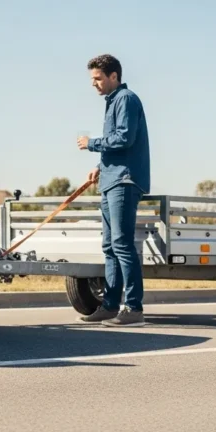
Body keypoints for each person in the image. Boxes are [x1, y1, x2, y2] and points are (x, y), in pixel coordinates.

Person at [76, 54, 151, 327]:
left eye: (97, 78)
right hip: (110, 179)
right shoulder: (113, 102)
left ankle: (134, 309)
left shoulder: (126, 99)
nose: (94, 84)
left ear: (113, 76)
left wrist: (92, 143)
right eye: (92, 79)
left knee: (121, 244)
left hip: (124, 181)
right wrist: (100, 165)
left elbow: (125, 137)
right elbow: (117, 144)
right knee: (109, 246)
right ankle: (109, 306)